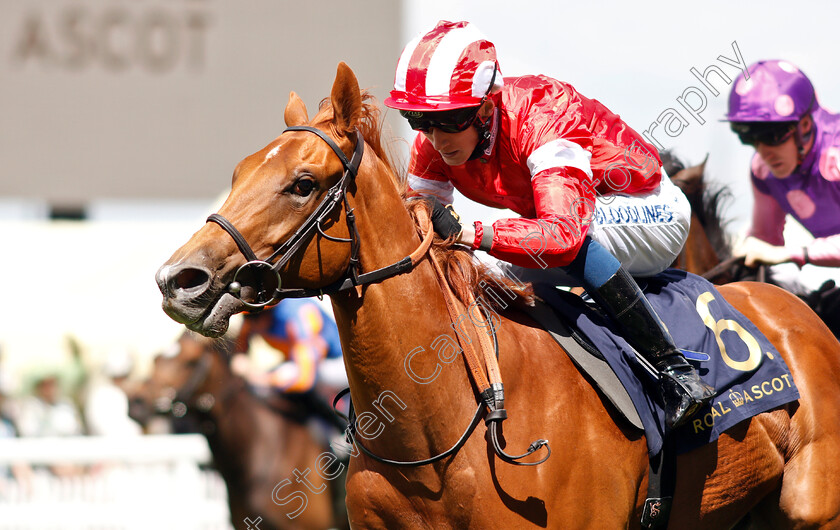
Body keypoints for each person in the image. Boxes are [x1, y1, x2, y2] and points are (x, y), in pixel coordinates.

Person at [383, 20, 714, 430]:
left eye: (450, 121)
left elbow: (561, 235)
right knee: (476, 271)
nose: (435, 137)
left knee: (565, 246)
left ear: (486, 107)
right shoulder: (435, 142)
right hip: (569, 215)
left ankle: (676, 374)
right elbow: (418, 228)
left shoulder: (542, 116)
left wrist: (472, 232)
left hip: (647, 207)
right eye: (420, 120)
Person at [725, 60, 840, 296]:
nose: (763, 152)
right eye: (751, 139)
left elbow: (780, 252)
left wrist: (794, 253)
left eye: (771, 136)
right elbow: (765, 242)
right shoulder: (763, 171)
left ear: (805, 125)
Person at [232, 299, 347, 428]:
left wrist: (263, 379)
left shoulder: (296, 317)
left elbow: (305, 380)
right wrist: (240, 359)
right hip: (301, 362)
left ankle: (343, 429)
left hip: (338, 364)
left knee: (287, 373)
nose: (250, 324)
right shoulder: (253, 320)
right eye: (246, 318)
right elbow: (240, 349)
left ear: (269, 312)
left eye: (254, 317)